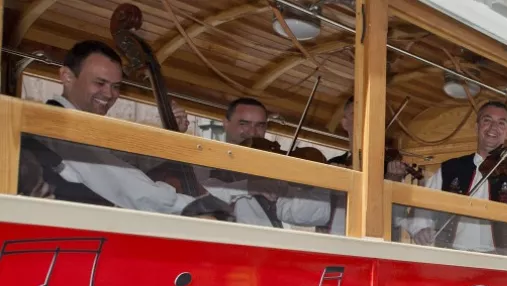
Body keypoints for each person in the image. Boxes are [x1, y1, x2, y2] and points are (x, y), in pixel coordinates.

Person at [24, 40, 197, 214]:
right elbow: (136, 192)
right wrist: (199, 207)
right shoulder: (59, 128)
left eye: (115, 86)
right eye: (100, 83)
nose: (109, 94)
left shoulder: (78, 128)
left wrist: (169, 137)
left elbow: (125, 165)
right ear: (67, 76)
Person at [398, 101, 507, 255]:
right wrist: (420, 228)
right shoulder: (450, 168)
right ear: (477, 127)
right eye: (487, 121)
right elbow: (423, 206)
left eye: (501, 123)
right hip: (451, 256)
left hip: (502, 262)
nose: (493, 127)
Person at [197, 97, 334, 229]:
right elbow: (198, 195)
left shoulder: (273, 168)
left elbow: (301, 215)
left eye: (260, 126)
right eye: (243, 124)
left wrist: (316, 185)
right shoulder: (207, 159)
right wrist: (248, 187)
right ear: (226, 124)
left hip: (266, 246)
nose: (252, 132)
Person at [321, 96, 409, 234]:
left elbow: (397, 218)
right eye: (355, 115)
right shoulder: (332, 164)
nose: (362, 120)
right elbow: (313, 212)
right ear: (345, 123)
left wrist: (392, 182)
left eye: (367, 114)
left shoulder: (387, 166)